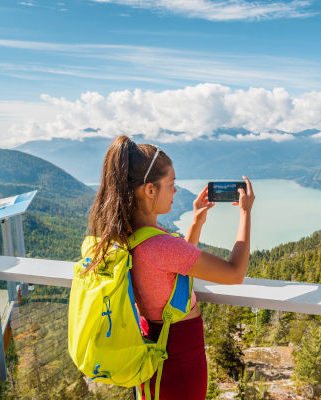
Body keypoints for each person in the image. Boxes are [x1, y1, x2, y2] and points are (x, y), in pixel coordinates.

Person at [86, 135, 254, 400]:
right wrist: (246, 212)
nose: (175, 191)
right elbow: (235, 273)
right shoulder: (160, 244)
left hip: (152, 347)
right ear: (150, 190)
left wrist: (196, 221)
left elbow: (173, 271)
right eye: (171, 184)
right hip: (179, 356)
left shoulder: (126, 236)